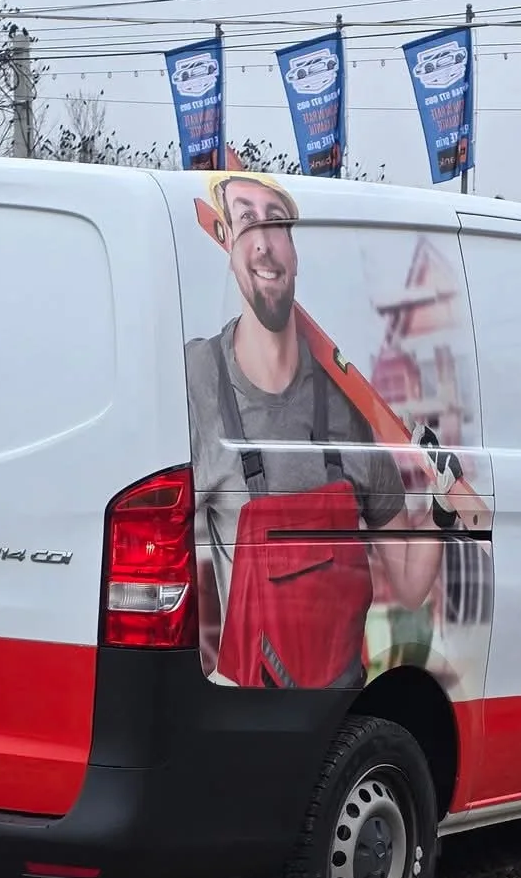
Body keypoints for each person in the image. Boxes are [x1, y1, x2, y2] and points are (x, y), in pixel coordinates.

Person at [184, 173, 440, 688]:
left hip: (344, 709)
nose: (263, 241)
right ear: (227, 244)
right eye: (247, 220)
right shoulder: (197, 381)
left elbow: (411, 586)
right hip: (247, 708)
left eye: (277, 223)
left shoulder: (352, 401)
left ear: (295, 252)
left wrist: (443, 505)